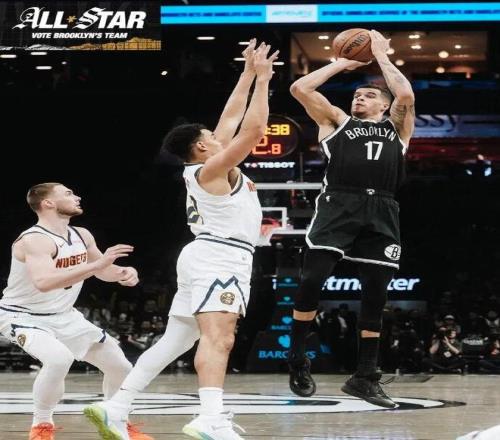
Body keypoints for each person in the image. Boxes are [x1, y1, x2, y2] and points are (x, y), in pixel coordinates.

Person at [84, 40, 278, 440]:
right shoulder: (212, 170)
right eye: (212, 136)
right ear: (202, 146)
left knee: (175, 341)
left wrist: (246, 74)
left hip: (204, 255)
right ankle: (210, 418)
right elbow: (255, 129)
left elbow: (231, 117)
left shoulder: (205, 165)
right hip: (221, 257)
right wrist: (264, 81)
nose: (220, 135)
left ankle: (115, 406)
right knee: (219, 337)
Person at [287, 30, 415, 408]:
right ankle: (297, 357)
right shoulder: (337, 121)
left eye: (369, 95)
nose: (359, 97)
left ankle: (364, 376)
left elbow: (406, 96)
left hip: (383, 210)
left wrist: (381, 55)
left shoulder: (397, 128)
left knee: (376, 295)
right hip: (339, 205)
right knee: (312, 280)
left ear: (384, 106)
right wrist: (343, 62)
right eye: (357, 94)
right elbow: (300, 88)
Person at [0, 182, 152, 440]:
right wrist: (97, 266)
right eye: (68, 193)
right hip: (22, 316)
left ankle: (116, 421)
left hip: (65, 316)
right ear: (48, 203)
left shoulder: (82, 235)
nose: (77, 196)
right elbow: (44, 282)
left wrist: (123, 273)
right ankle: (42, 425)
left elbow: (103, 270)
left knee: (122, 368)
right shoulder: (34, 239)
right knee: (58, 359)